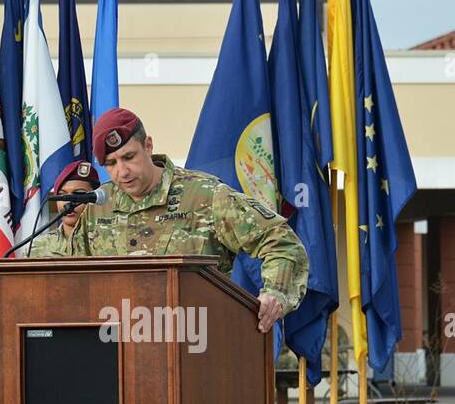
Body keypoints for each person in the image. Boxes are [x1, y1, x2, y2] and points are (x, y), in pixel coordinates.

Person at [31, 108, 309, 333]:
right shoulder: (98, 207)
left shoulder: (203, 196)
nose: (123, 171)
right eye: (112, 164)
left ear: (148, 146)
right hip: (114, 349)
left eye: (129, 157)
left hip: (196, 342)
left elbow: (281, 242)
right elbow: (74, 274)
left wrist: (275, 293)